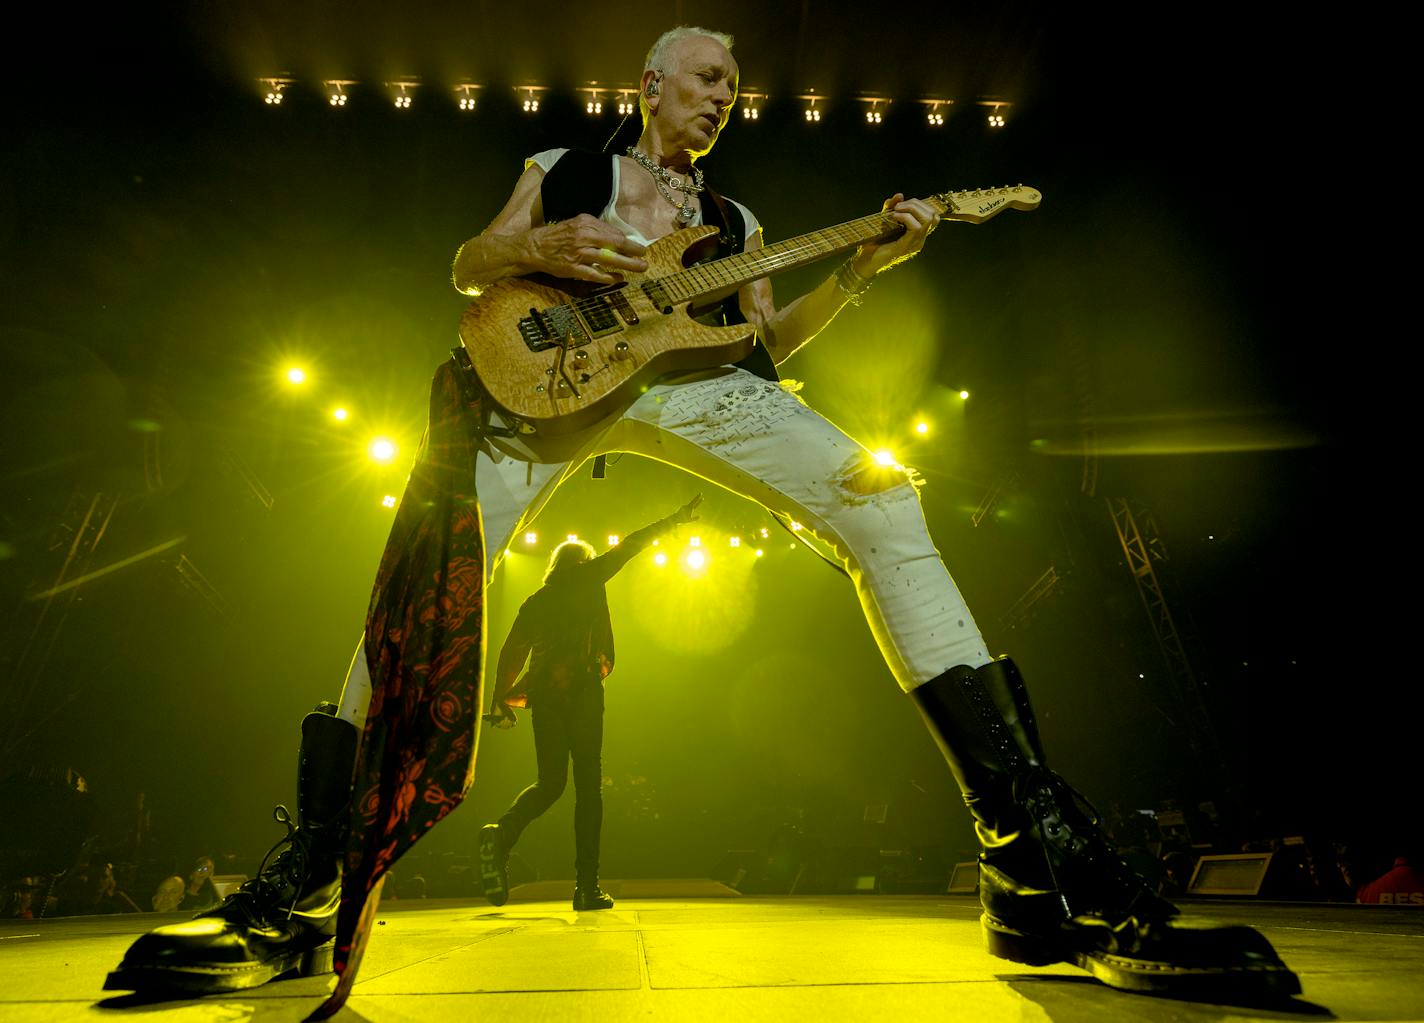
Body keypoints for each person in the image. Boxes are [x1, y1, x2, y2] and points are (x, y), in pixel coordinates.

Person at [105, 25, 1300, 1003]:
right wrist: (548, 243)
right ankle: (310, 881)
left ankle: (1035, 871)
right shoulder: (563, 168)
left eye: (733, 82)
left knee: (883, 509)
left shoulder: (731, 223)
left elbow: (769, 342)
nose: (726, 93)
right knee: (428, 572)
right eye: (709, 75)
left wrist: (860, 271)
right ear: (650, 85)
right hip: (547, 387)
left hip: (702, 392)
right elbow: (472, 267)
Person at [479, 497, 702, 912]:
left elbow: (511, 651)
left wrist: (500, 698)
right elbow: (631, 545)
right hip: (581, 694)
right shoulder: (590, 577)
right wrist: (673, 520)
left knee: (550, 784)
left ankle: (502, 834)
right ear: (582, 561)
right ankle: (586, 887)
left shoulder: (536, 601)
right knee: (588, 788)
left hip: (545, 699)